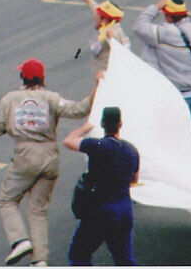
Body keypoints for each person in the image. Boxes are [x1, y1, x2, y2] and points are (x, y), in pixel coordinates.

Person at [0, 58, 97, 267]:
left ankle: (20, 241)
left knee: (6, 200)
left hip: (25, 155)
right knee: (38, 210)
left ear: (23, 77)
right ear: (42, 78)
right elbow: (80, 109)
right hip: (50, 157)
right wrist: (97, 86)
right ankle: (40, 259)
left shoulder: (10, 99)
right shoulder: (51, 98)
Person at [63, 107, 140, 266]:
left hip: (99, 210)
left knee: (79, 254)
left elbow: (69, 141)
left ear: (102, 124)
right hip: (123, 209)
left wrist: (84, 128)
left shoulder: (97, 146)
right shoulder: (132, 151)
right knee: (124, 259)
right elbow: (134, 179)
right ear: (121, 124)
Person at [132, 0, 191, 117]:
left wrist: (156, 7)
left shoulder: (165, 32)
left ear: (168, 16)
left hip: (170, 95)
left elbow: (139, 26)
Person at [71, 0, 129, 74]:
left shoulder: (113, 33)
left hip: (108, 78)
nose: (94, 15)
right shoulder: (108, 26)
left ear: (104, 19)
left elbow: (121, 54)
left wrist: (112, 39)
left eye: (97, 14)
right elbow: (95, 9)